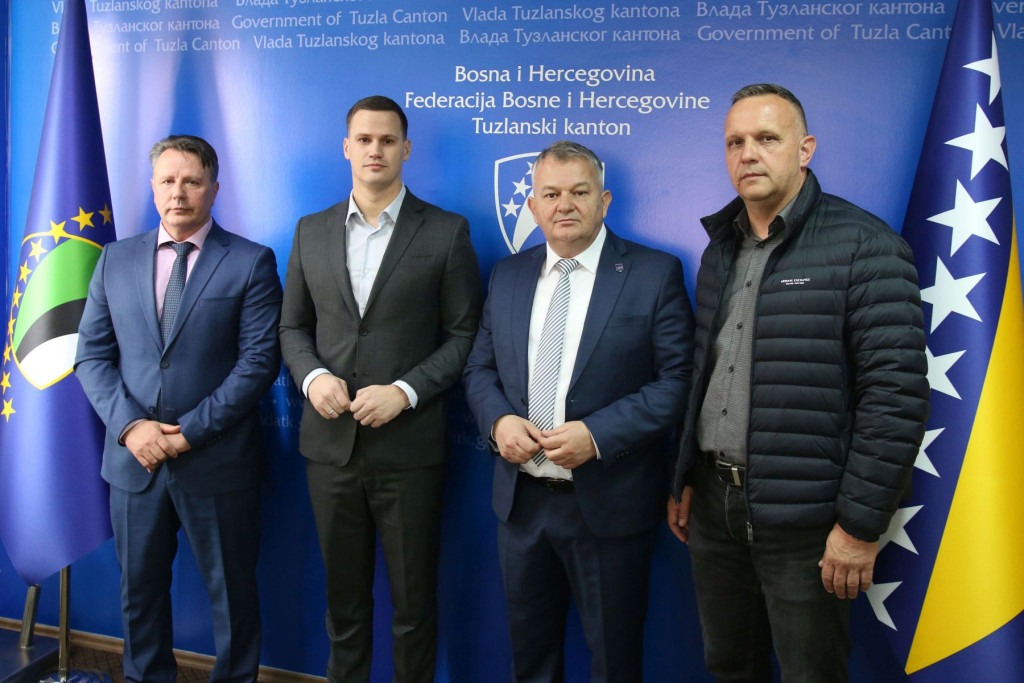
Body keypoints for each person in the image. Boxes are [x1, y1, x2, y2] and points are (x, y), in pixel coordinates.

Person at [668, 83, 929, 681]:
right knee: (729, 666)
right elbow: (703, 378)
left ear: (804, 149)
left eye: (766, 138)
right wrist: (684, 476)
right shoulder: (720, 249)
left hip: (809, 524)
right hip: (714, 509)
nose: (748, 154)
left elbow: (895, 400)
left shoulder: (865, 246)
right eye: (735, 142)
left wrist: (859, 528)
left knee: (812, 673)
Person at [463, 140, 695, 682]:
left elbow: (678, 381)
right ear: (533, 206)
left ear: (604, 201)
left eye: (579, 192)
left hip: (608, 506)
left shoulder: (653, 272)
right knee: (531, 659)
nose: (564, 205)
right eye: (550, 194)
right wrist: (498, 422)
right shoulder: (508, 275)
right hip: (521, 504)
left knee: (615, 661)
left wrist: (596, 435)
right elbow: (478, 369)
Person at [279, 95, 482, 683]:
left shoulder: (446, 231)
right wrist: (313, 377)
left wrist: (407, 390)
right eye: (364, 140)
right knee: (343, 603)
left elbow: (465, 336)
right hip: (330, 450)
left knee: (413, 606)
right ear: (346, 147)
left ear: (406, 149)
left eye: (388, 140)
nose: (376, 150)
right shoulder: (310, 231)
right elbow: (292, 328)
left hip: (409, 452)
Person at [75, 134, 282, 683]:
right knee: (138, 596)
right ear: (152, 187)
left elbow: (258, 363)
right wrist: (131, 428)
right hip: (134, 463)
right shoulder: (115, 259)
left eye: (192, 181)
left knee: (233, 598)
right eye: (168, 180)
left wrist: (188, 433)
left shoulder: (251, 262)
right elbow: (91, 356)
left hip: (217, 461)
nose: (178, 192)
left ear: (214, 187)